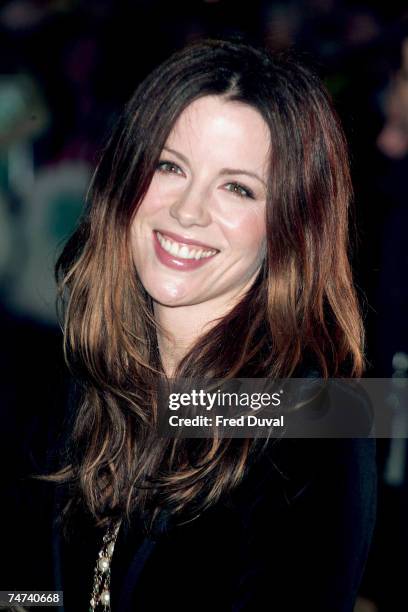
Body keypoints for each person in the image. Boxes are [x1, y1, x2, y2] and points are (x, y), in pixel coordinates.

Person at [49, 38, 377, 611]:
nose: (188, 210)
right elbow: (35, 590)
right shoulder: (84, 374)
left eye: (237, 187)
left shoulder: (316, 415)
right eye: (170, 166)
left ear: (289, 224)